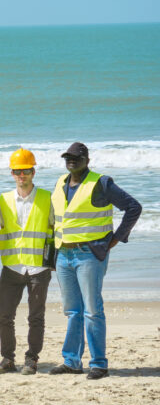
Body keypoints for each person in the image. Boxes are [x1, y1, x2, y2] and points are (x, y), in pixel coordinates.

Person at [48, 142, 140, 380]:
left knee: (92, 311)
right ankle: (72, 361)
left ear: (87, 160)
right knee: (73, 311)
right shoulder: (60, 182)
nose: (71, 161)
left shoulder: (101, 183)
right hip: (63, 255)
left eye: (76, 158)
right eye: (68, 157)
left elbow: (133, 207)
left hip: (89, 255)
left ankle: (99, 364)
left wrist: (117, 239)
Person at [0, 149, 53, 375]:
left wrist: (53, 261)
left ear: (33, 171)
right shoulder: (4, 199)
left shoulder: (47, 198)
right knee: (4, 316)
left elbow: (56, 231)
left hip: (39, 268)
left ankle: (31, 360)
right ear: (12, 173)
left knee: (36, 317)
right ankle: (8, 359)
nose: (21, 175)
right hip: (12, 267)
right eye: (17, 171)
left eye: (26, 171)